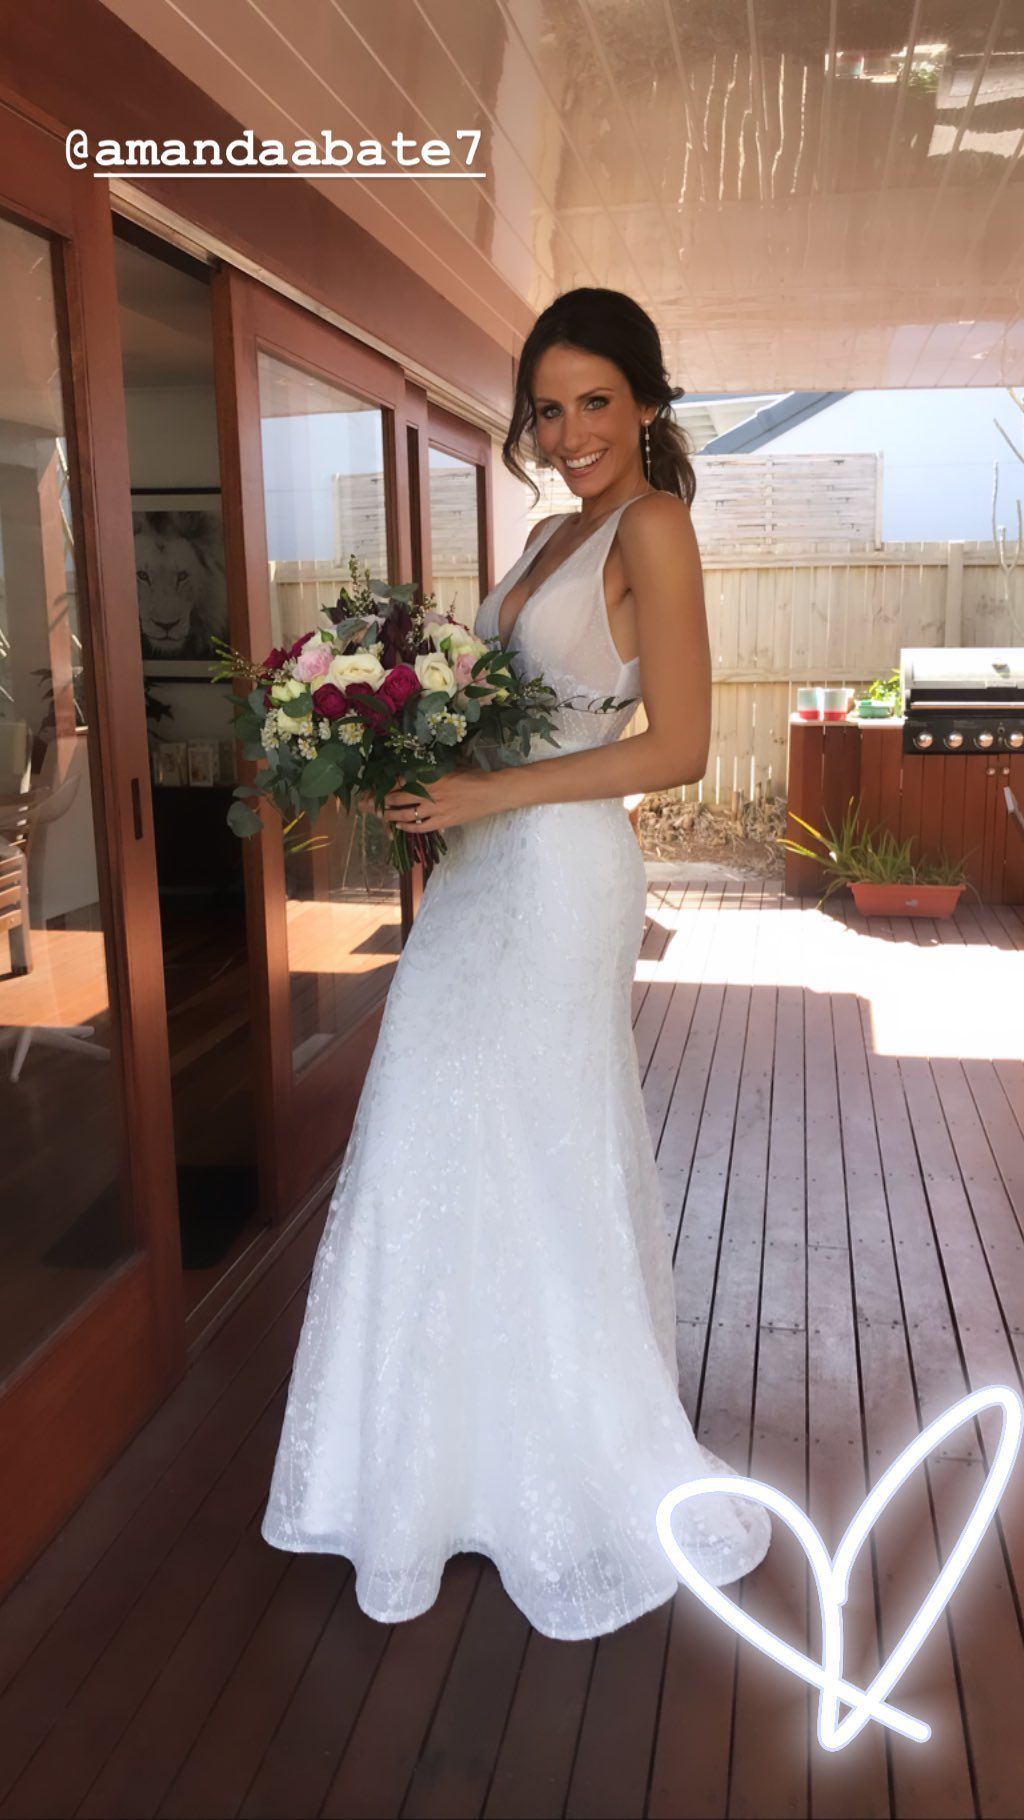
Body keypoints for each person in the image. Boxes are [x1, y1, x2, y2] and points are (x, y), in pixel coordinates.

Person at [260, 287, 771, 1639]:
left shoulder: (654, 526)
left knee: (541, 1144)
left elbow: (679, 747)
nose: (569, 431)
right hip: (484, 872)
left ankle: (561, 1469)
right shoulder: (552, 533)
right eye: (548, 409)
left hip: (558, 880)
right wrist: (408, 754)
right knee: (431, 1131)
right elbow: (501, 712)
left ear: (647, 403)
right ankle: (433, 1468)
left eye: (595, 401)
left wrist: (493, 794)